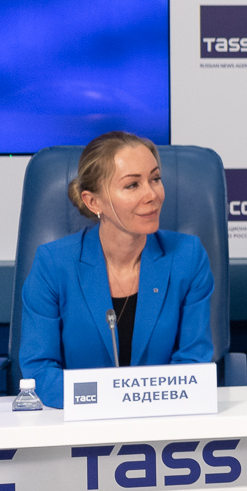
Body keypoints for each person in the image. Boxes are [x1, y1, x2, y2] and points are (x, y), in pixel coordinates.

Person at [19, 132, 217, 408]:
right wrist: (108, 401)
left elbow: (193, 362)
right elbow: (40, 370)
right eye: (132, 185)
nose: (152, 195)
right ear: (93, 202)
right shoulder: (53, 264)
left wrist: (137, 405)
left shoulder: (188, 257)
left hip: (163, 420)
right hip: (79, 422)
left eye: (155, 179)